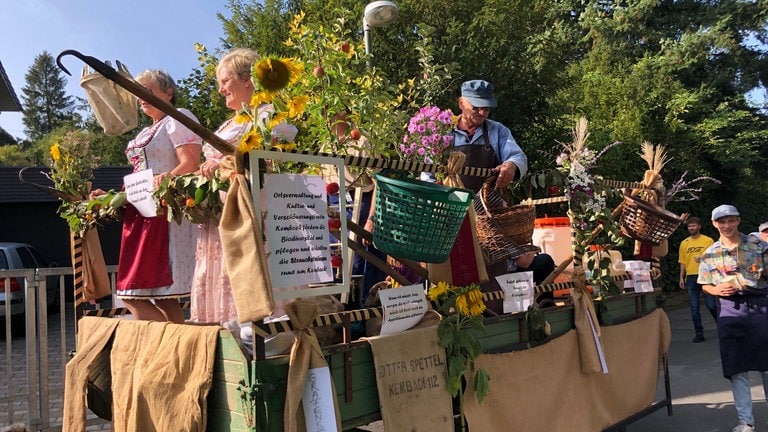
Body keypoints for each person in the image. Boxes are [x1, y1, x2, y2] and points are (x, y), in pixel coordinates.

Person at [115, 69, 202, 322]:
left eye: (147, 90)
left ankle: (173, 345)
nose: (141, 97)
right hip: (140, 212)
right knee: (147, 294)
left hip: (163, 210)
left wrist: (167, 179)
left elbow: (191, 163)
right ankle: (175, 345)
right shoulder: (145, 132)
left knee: (143, 293)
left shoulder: (177, 118)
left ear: (168, 93)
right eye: (139, 92)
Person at [192, 48, 258, 324]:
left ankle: (250, 334)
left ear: (247, 80)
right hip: (217, 213)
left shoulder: (265, 116)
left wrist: (221, 166)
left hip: (243, 212)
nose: (220, 90)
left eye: (225, 81)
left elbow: (262, 159)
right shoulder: (231, 122)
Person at [698, 204, 768, 432]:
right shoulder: (710, 253)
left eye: (730, 220)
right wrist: (715, 291)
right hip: (730, 309)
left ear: (738, 220)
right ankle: (746, 421)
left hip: (760, 304)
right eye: (721, 221)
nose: (726, 225)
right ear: (714, 224)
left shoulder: (759, 245)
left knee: (767, 364)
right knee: (736, 366)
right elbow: (705, 284)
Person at [324, 113, 387, 305]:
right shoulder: (326, 142)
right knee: (338, 263)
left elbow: (379, 183)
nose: (328, 115)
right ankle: (342, 313)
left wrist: (371, 219)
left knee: (362, 262)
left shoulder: (362, 140)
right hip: (334, 204)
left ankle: (365, 313)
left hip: (361, 203)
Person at [453, 79, 528, 193]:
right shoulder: (444, 132)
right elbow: (428, 173)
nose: (482, 113)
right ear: (461, 104)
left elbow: (518, 157)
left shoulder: (498, 130)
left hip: (489, 203)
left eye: (486, 108)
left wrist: (511, 165)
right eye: (476, 107)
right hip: (448, 204)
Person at [678, 216, 717, 343]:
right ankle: (699, 333)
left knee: (711, 305)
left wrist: (703, 260)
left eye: (694, 225)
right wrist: (681, 278)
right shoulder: (684, 243)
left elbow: (715, 258)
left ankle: (722, 326)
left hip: (706, 276)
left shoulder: (708, 240)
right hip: (691, 277)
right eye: (689, 226)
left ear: (699, 227)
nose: (691, 228)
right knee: (694, 308)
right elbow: (682, 262)